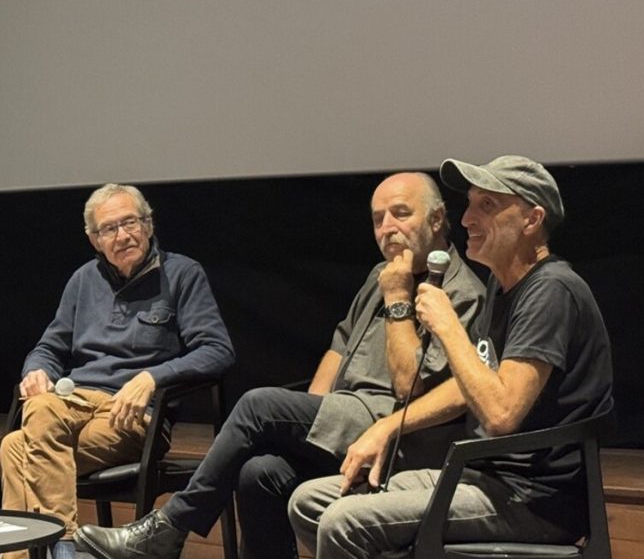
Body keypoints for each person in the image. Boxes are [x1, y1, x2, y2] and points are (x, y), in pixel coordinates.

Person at [74, 172, 486, 559]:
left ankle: (170, 527)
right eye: (378, 219)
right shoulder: (382, 274)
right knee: (259, 472)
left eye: (400, 214)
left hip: (398, 431)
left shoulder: (460, 292)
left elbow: (409, 390)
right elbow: (339, 347)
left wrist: (398, 299)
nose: (387, 229)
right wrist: (309, 423)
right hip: (346, 417)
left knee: (259, 405)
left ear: (436, 219)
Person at [288, 155, 615, 558]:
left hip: (532, 499)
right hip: (479, 477)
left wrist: (447, 325)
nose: (467, 220)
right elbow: (469, 387)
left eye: (487, 206)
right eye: (471, 204)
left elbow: (500, 413)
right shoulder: (502, 287)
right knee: (309, 502)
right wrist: (389, 426)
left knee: (345, 521)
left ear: (531, 220)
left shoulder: (552, 291)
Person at [0, 183, 236, 559]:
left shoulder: (182, 273)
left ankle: (57, 551)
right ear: (94, 239)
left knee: (17, 446)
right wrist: (36, 370)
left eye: (130, 223)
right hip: (75, 402)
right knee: (36, 413)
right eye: (109, 229)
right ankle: (61, 547)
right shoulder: (82, 281)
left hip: (134, 416)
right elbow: (48, 347)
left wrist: (153, 376)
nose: (123, 235)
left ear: (148, 224)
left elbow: (218, 351)